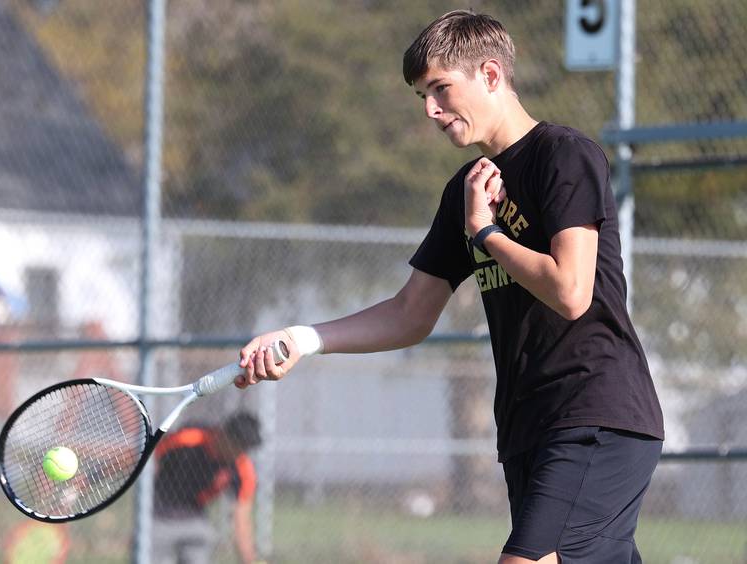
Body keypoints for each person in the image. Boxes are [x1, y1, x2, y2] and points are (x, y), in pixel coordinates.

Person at [236, 10, 663, 564]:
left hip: (594, 414)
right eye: (422, 97)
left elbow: (571, 291)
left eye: (440, 89)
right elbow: (411, 312)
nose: (432, 111)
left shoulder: (564, 155)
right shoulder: (465, 189)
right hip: (528, 426)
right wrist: (303, 338)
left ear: (490, 74)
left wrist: (486, 232)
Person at [152, 412, 263, 564]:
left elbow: (241, 517)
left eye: (245, 449)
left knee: (200, 548)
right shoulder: (190, 438)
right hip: (157, 515)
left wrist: (249, 560)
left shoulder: (242, 467)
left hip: (195, 519)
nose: (240, 453)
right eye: (238, 446)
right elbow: (147, 455)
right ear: (225, 436)